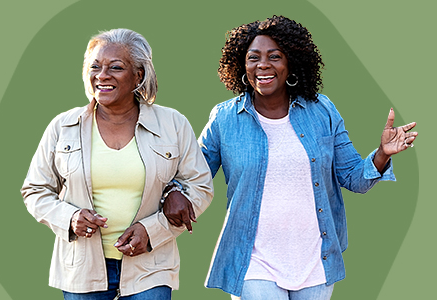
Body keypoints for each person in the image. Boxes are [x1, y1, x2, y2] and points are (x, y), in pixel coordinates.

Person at [163, 16, 418, 300]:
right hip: (253, 260)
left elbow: (354, 178)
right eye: (253, 58)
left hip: (315, 260)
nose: (263, 65)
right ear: (241, 65)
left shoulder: (322, 110)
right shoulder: (225, 118)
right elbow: (194, 173)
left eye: (275, 57)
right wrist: (172, 190)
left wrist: (382, 153)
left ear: (291, 63)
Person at [21, 28, 213, 300]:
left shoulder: (173, 124)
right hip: (82, 269)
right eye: (95, 66)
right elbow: (35, 190)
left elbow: (200, 186)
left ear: (139, 74)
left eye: (116, 67)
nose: (102, 75)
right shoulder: (63, 126)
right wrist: (70, 218)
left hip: (151, 265)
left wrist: (152, 231)